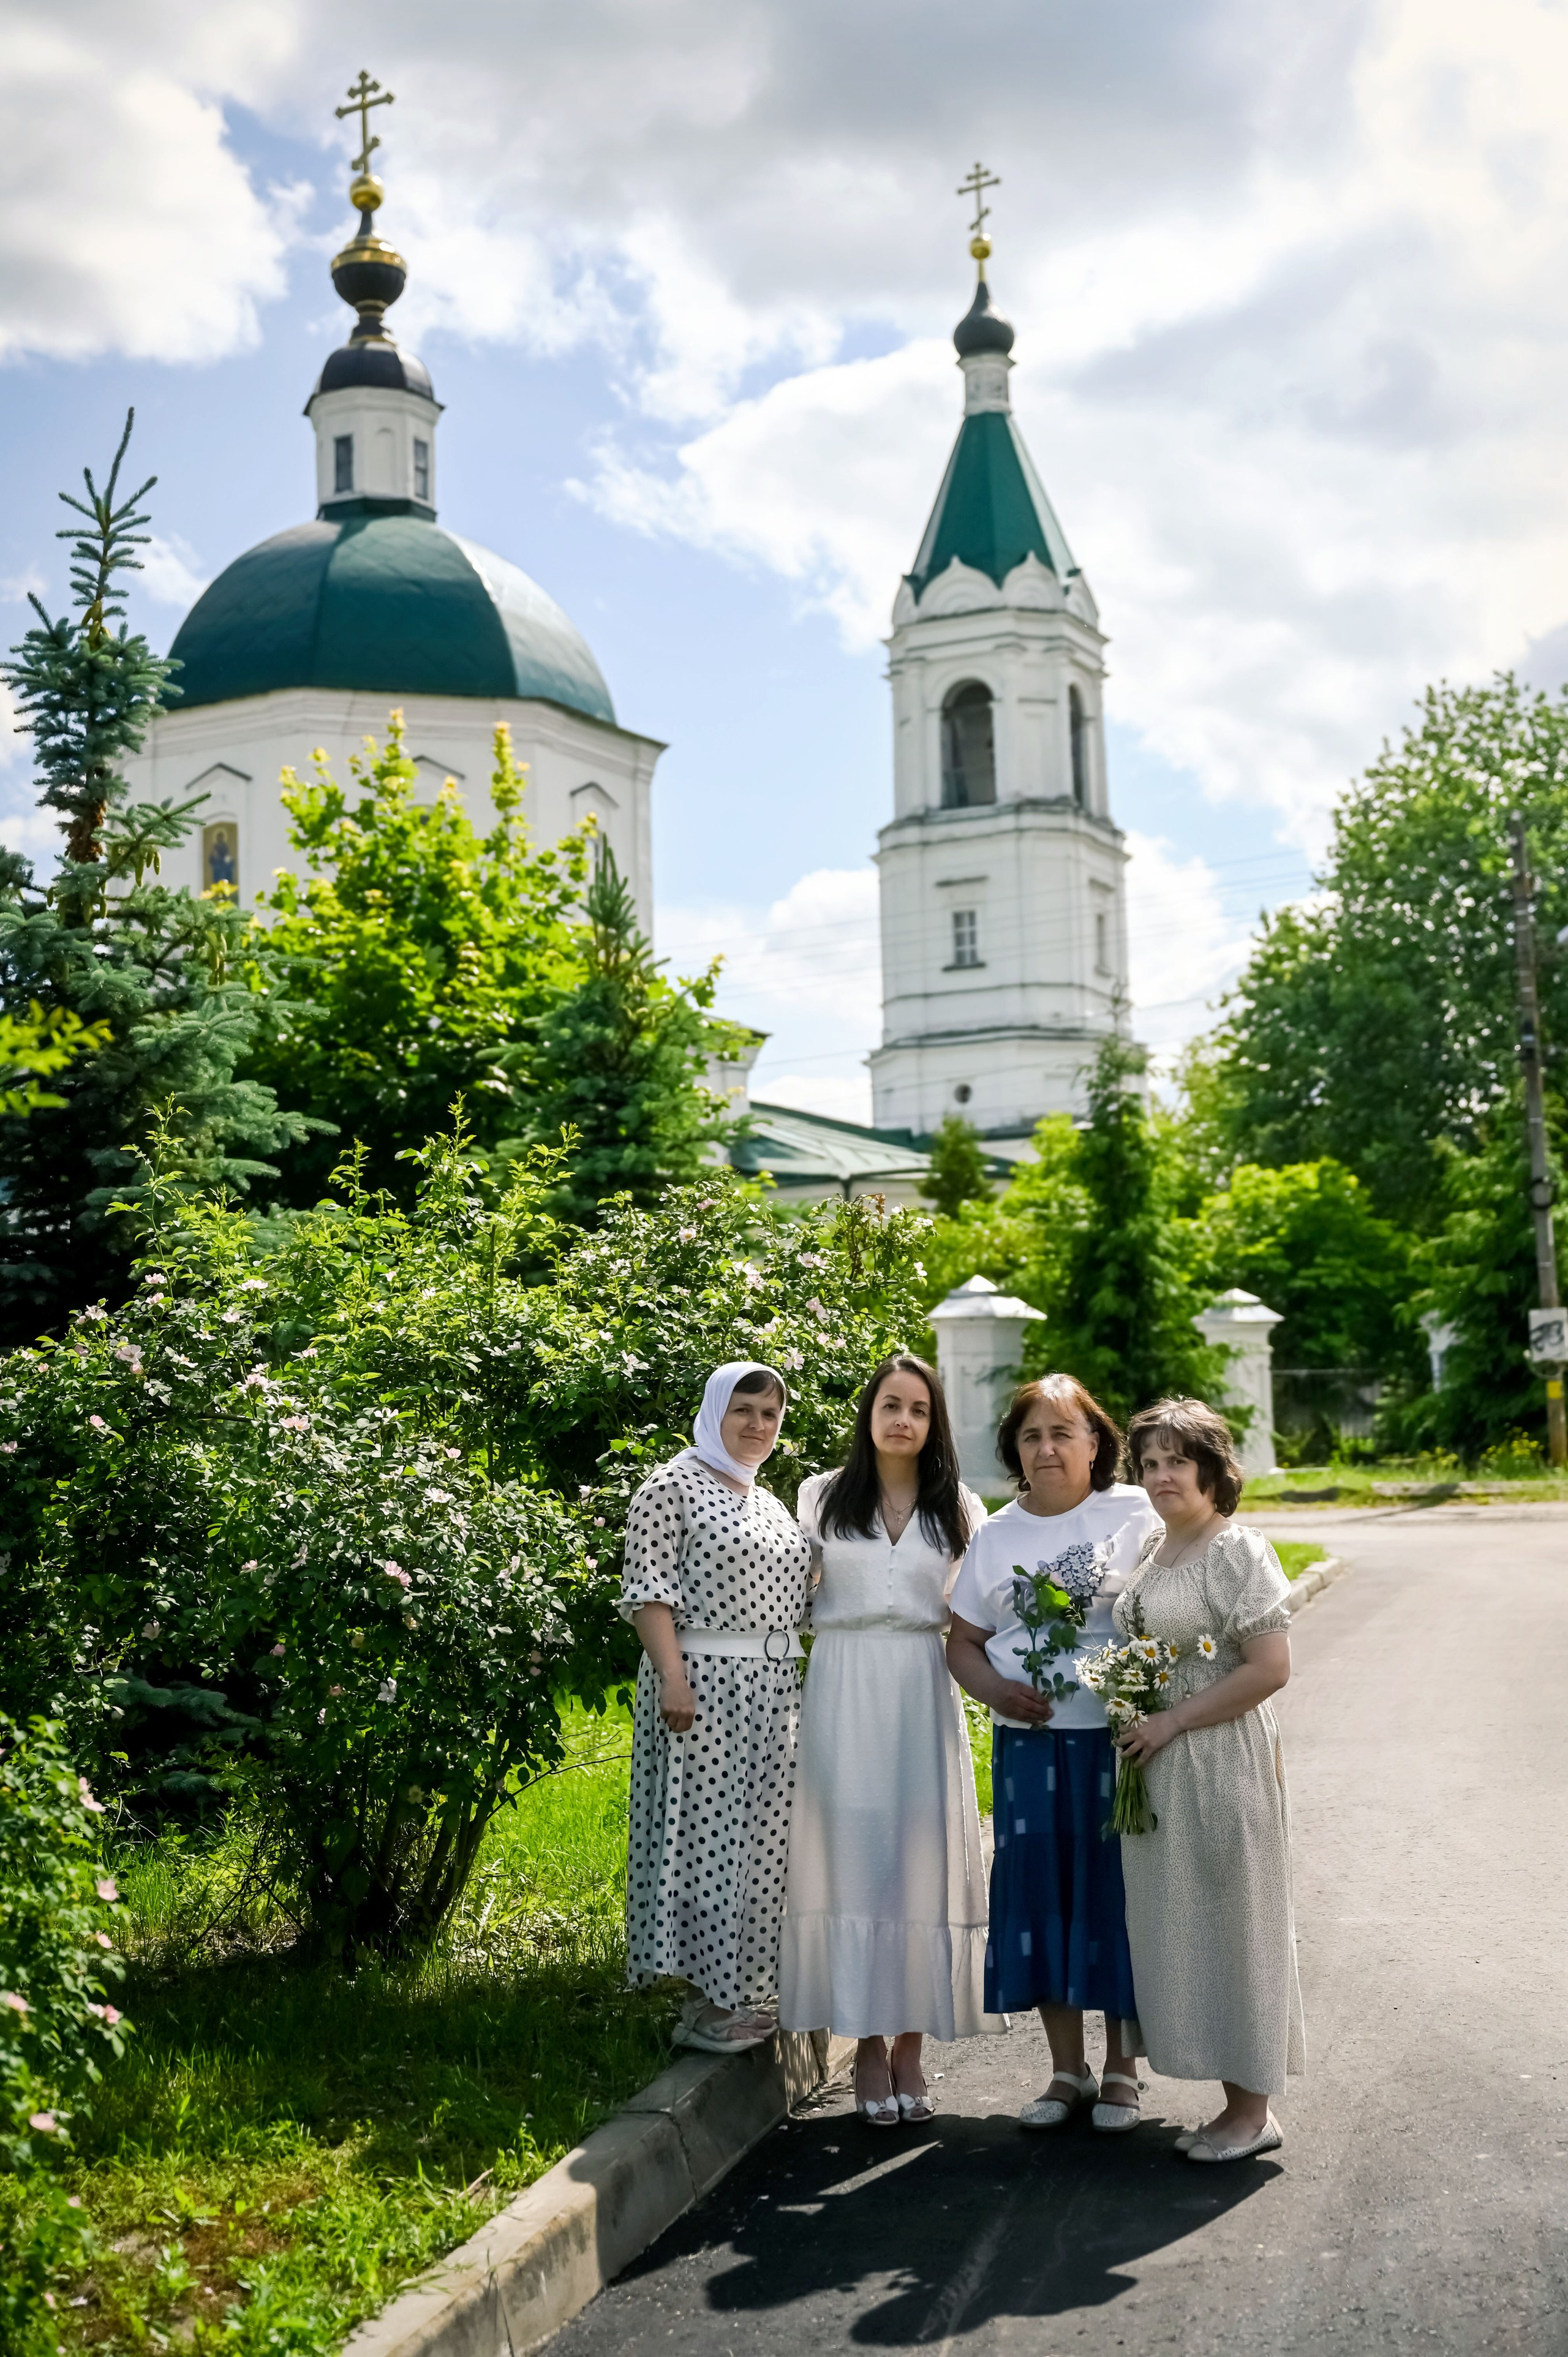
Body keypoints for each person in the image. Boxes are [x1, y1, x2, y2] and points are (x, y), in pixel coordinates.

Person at [780, 1355, 993, 2127]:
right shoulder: (820, 1496)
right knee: (853, 1859)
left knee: (914, 1861)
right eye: (890, 1404)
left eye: (919, 1409)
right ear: (867, 1412)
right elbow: (791, 1592)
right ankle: (866, 2040)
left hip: (919, 1685)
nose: (902, 1420)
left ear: (934, 1424)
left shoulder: (957, 1505)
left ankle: (910, 2043)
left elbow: (978, 1613)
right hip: (840, 1684)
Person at [946, 1375, 1162, 2132]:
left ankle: (1121, 2071)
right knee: (1042, 1896)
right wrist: (997, 1695)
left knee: (1114, 1898)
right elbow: (964, 1643)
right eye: (1032, 1435)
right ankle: (1064, 2069)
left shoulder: (1135, 1513)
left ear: (1095, 1443)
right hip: (1028, 1748)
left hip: (1118, 1744)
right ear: (1015, 1448)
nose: (1046, 1448)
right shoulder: (997, 1536)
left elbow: (1176, 1593)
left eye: (1062, 1433)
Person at [1114, 1397, 1305, 2163]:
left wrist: (1171, 1720)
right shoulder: (1156, 1552)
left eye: (1175, 1460)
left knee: (1237, 1924)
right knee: (1187, 1929)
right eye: (1149, 1462)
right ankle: (1234, 2102)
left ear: (1210, 1470)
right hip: (1162, 1774)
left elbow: (1271, 1667)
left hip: (1221, 1760)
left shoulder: (1236, 1551)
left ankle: (1253, 2110)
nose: (1161, 1474)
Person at [620, 1361, 811, 2053]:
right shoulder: (671, 1484)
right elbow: (649, 1590)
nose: (758, 1425)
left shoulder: (768, 1500)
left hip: (772, 1690)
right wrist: (673, 1675)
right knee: (705, 1839)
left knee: (761, 1843)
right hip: (701, 1687)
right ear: (714, 1411)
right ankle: (701, 2005)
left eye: (769, 1413)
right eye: (744, 1410)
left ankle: (743, 1988)